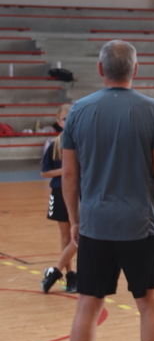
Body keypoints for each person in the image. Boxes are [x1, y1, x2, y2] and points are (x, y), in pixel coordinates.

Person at [38, 40, 154, 341]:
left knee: (88, 306)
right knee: (149, 304)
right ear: (136, 70)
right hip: (143, 225)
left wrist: (76, 220)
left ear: (101, 70)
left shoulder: (79, 112)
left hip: (96, 226)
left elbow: (70, 175)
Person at [40, 103, 78, 294]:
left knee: (81, 234)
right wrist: (65, 171)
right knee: (66, 236)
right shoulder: (54, 145)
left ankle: (55, 271)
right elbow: (44, 172)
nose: (69, 121)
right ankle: (71, 275)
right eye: (65, 118)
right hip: (60, 192)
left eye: (72, 117)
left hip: (81, 192)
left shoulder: (83, 142)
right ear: (59, 122)